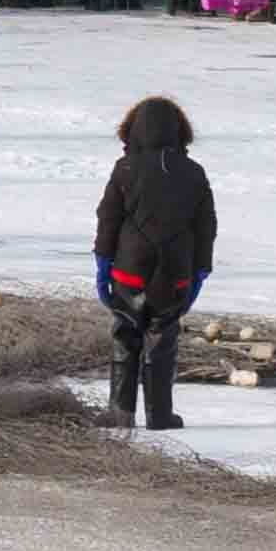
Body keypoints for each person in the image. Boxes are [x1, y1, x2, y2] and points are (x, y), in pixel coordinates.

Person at [91, 93, 215, 430]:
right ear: (180, 132)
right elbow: (206, 226)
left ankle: (121, 412)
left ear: (132, 131)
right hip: (175, 274)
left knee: (126, 336)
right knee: (163, 339)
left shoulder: (125, 169)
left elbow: (108, 219)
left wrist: (103, 265)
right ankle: (160, 415)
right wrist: (200, 270)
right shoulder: (193, 172)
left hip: (128, 270)